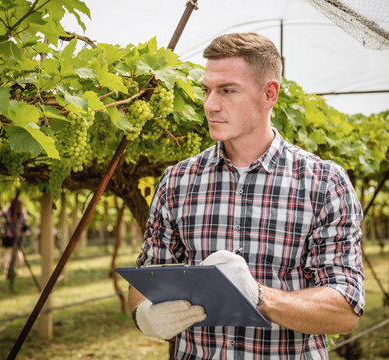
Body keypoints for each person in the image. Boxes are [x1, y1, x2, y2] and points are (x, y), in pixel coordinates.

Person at [128, 32, 364, 358]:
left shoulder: (324, 184)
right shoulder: (176, 182)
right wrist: (145, 315)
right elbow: (144, 281)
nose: (210, 104)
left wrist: (257, 295)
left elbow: (345, 308)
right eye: (207, 90)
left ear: (269, 94)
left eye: (227, 91)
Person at [0, 196, 28, 276]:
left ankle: (6, 269)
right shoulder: (22, 212)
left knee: (8, 252)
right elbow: (25, 220)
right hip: (18, 235)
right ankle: (19, 268)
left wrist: (6, 206)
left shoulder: (8, 212)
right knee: (18, 252)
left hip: (8, 234)